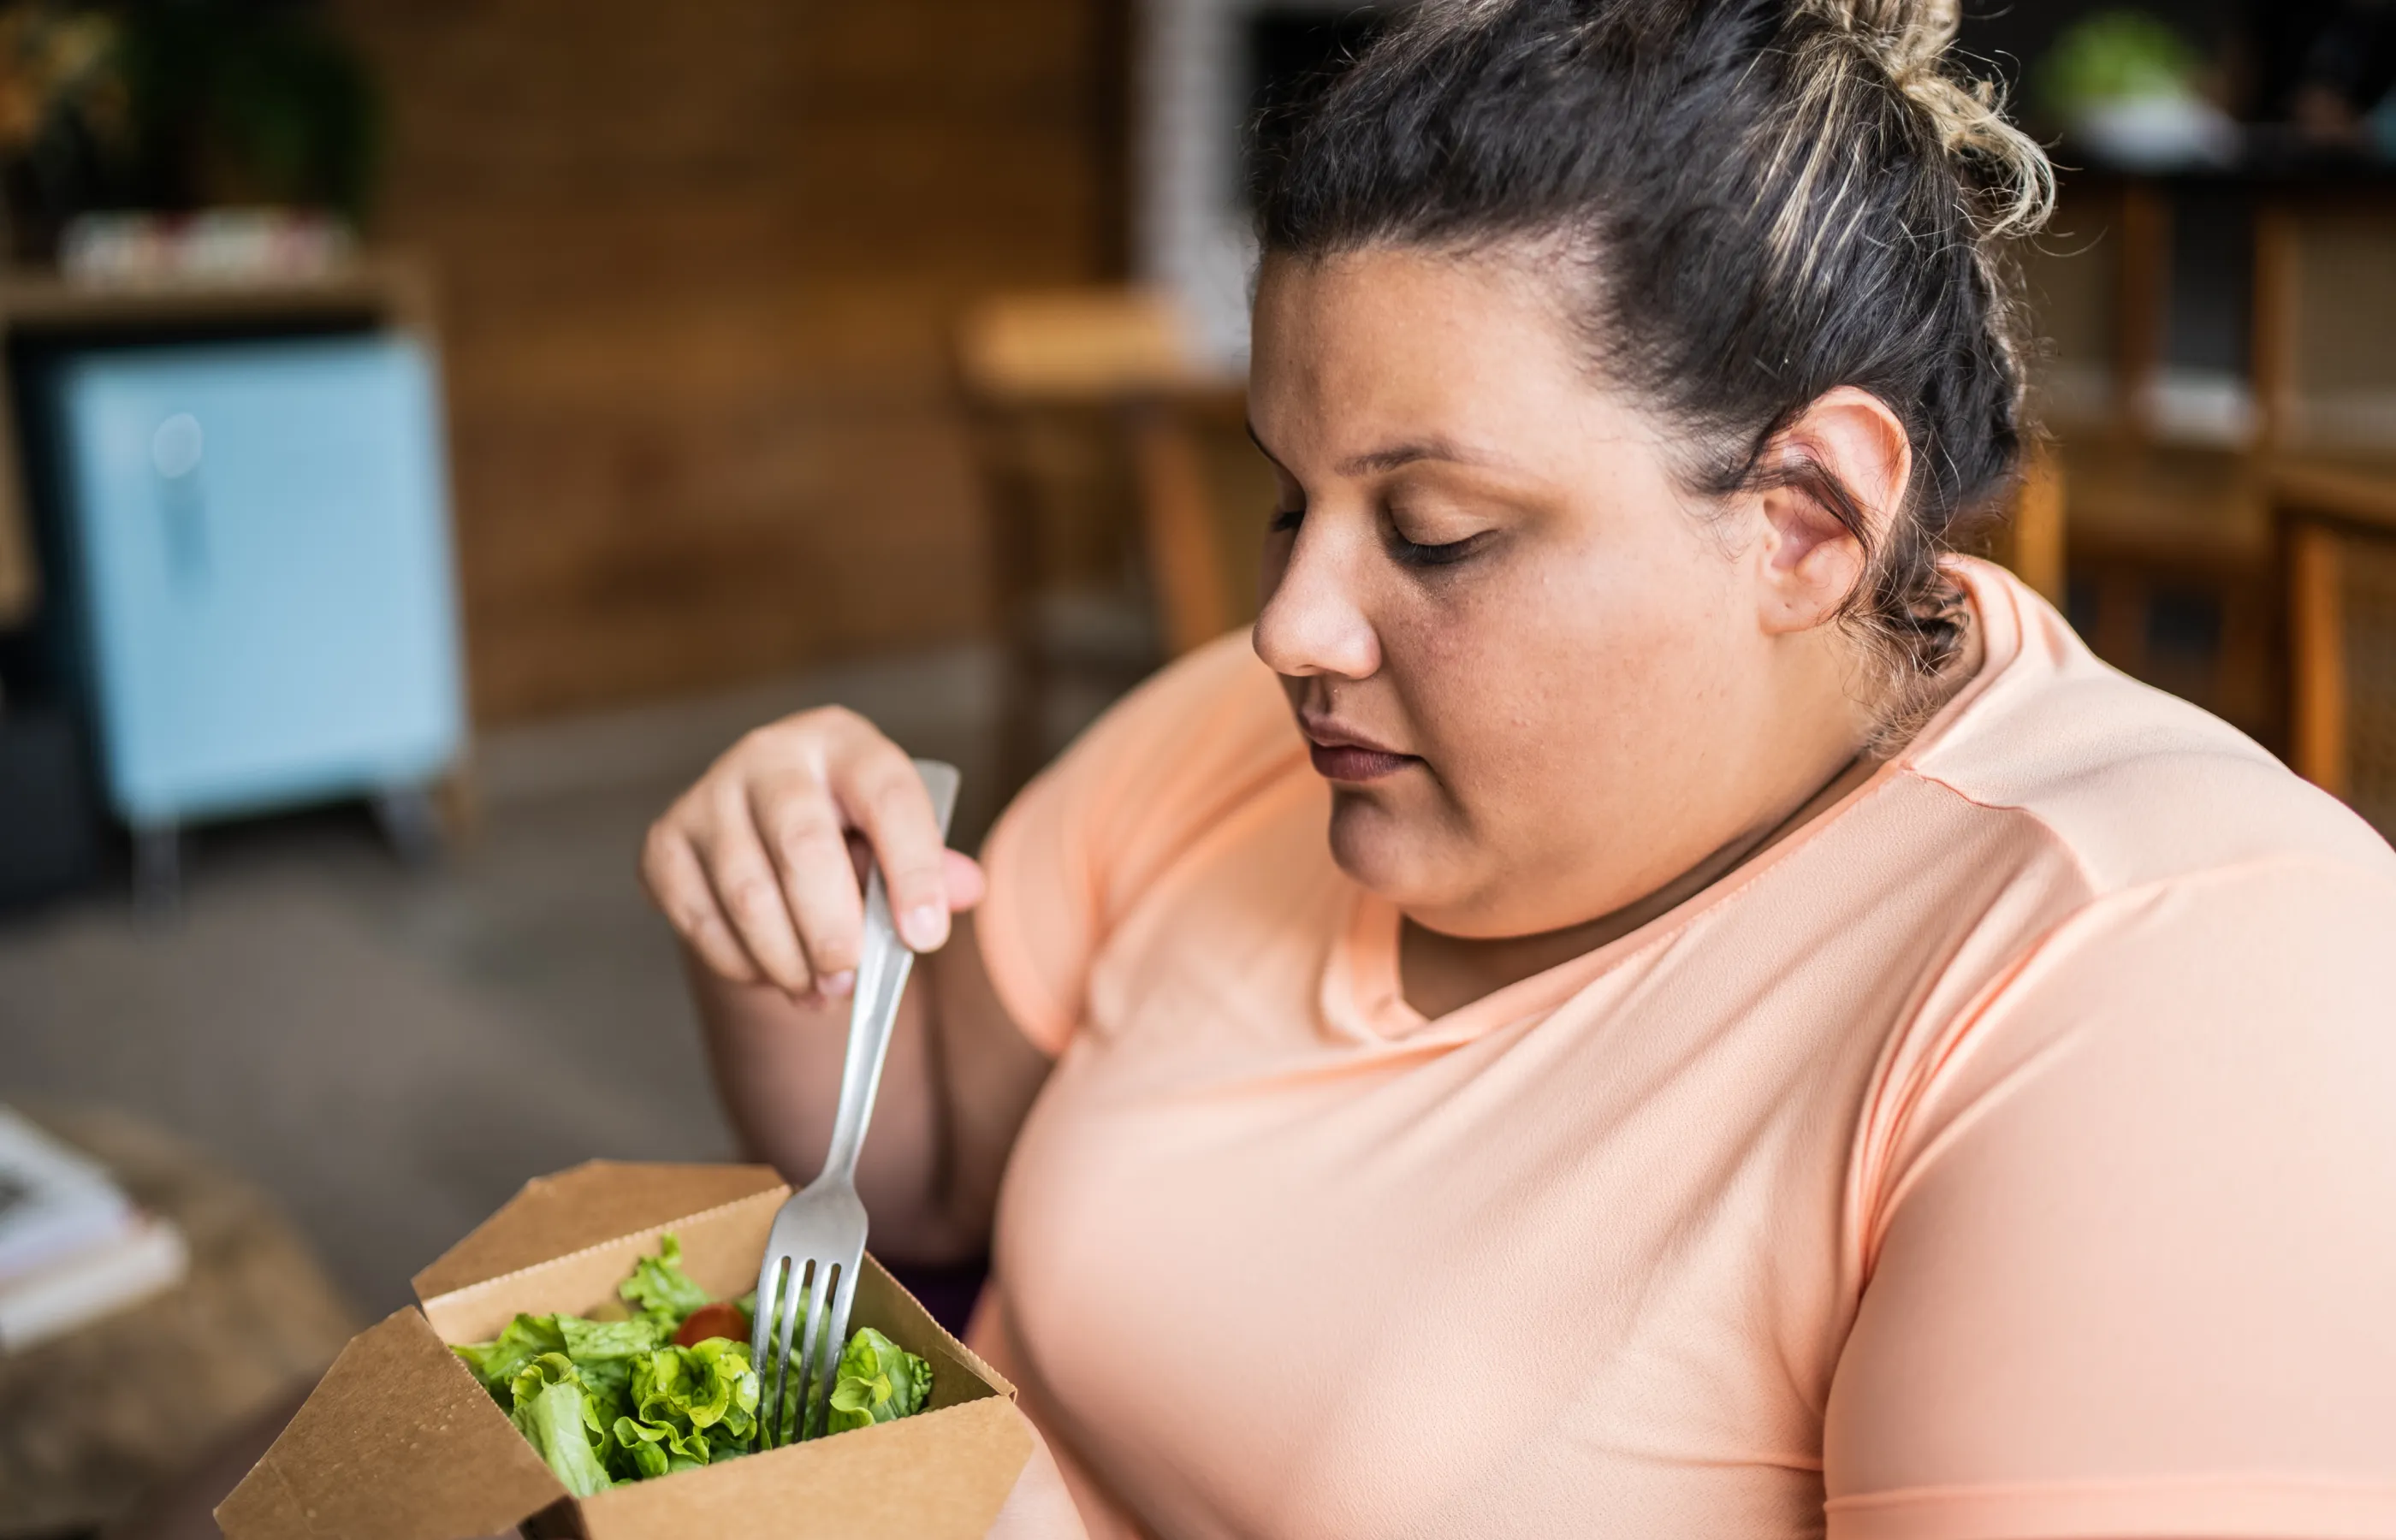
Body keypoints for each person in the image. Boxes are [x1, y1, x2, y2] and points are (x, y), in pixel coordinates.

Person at [644, 1, 2396, 1534]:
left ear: (1802, 523)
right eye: (1287, 497)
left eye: (1436, 532)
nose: (1289, 626)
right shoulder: (1255, 740)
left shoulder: (2167, 973)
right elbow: (924, 1178)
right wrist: (793, 910)